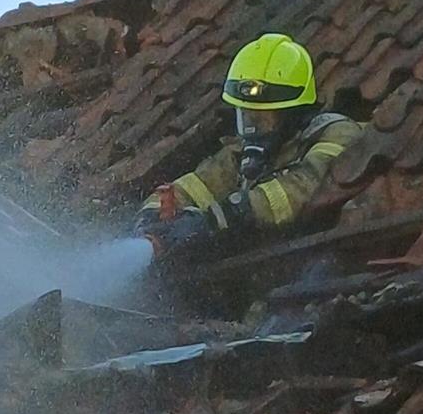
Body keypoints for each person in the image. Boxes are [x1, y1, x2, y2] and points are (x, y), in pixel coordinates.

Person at [135, 33, 362, 257]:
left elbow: (302, 188)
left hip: (320, 258)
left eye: (264, 118)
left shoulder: (337, 134)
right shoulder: (239, 154)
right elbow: (194, 187)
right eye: (247, 117)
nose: (254, 129)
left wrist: (219, 218)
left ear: (294, 113)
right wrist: (152, 216)